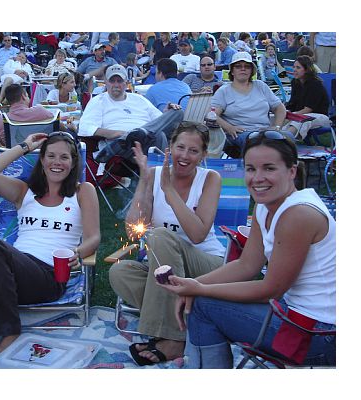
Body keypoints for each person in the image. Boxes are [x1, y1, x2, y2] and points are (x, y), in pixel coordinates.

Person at [159, 130, 336, 368]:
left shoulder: (298, 214)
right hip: (296, 313)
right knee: (201, 297)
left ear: (292, 171)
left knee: (203, 306)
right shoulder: (266, 205)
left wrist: (200, 289)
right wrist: (193, 286)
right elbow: (247, 265)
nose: (257, 178)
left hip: (320, 332)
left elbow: (270, 290)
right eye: (251, 169)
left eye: (269, 168)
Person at [0, 131, 100, 368]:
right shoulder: (23, 191)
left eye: (64, 157)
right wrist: (25, 146)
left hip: (48, 275)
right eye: (51, 156)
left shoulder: (82, 191)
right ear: (42, 160)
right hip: (10, 272)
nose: (57, 162)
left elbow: (94, 237)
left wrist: (77, 253)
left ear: (73, 163)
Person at [109, 122, 226, 365]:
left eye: (193, 151)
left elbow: (198, 235)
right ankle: (184, 321)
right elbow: (133, 230)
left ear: (203, 155)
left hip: (206, 265)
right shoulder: (153, 175)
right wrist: (144, 180)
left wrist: (168, 190)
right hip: (167, 269)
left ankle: (172, 339)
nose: (185, 155)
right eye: (180, 147)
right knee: (120, 272)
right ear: (169, 148)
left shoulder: (210, 179)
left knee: (159, 236)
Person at [79, 64, 184, 163]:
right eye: (112, 81)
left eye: (120, 81)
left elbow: (158, 123)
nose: (116, 85)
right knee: (159, 135)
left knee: (177, 112)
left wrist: (166, 114)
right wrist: (115, 133)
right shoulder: (98, 101)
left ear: (126, 82)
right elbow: (85, 128)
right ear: (106, 82)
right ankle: (159, 169)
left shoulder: (139, 99)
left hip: (147, 142)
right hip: (122, 146)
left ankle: (138, 133)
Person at [211, 52, 286, 156]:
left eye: (247, 66)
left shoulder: (261, 86)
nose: (243, 69)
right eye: (238, 66)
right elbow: (212, 115)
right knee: (259, 141)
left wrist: (277, 127)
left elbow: (279, 108)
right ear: (232, 71)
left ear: (252, 70)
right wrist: (229, 127)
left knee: (287, 137)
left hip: (265, 131)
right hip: (241, 133)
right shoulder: (224, 91)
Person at [282, 55, 331, 140]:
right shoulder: (295, 82)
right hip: (302, 114)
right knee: (280, 118)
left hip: (320, 116)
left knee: (301, 121)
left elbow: (308, 109)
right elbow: (292, 103)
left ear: (306, 69)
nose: (294, 70)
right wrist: (284, 111)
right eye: (294, 67)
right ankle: (276, 139)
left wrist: (293, 115)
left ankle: (285, 141)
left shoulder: (315, 84)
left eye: (298, 67)